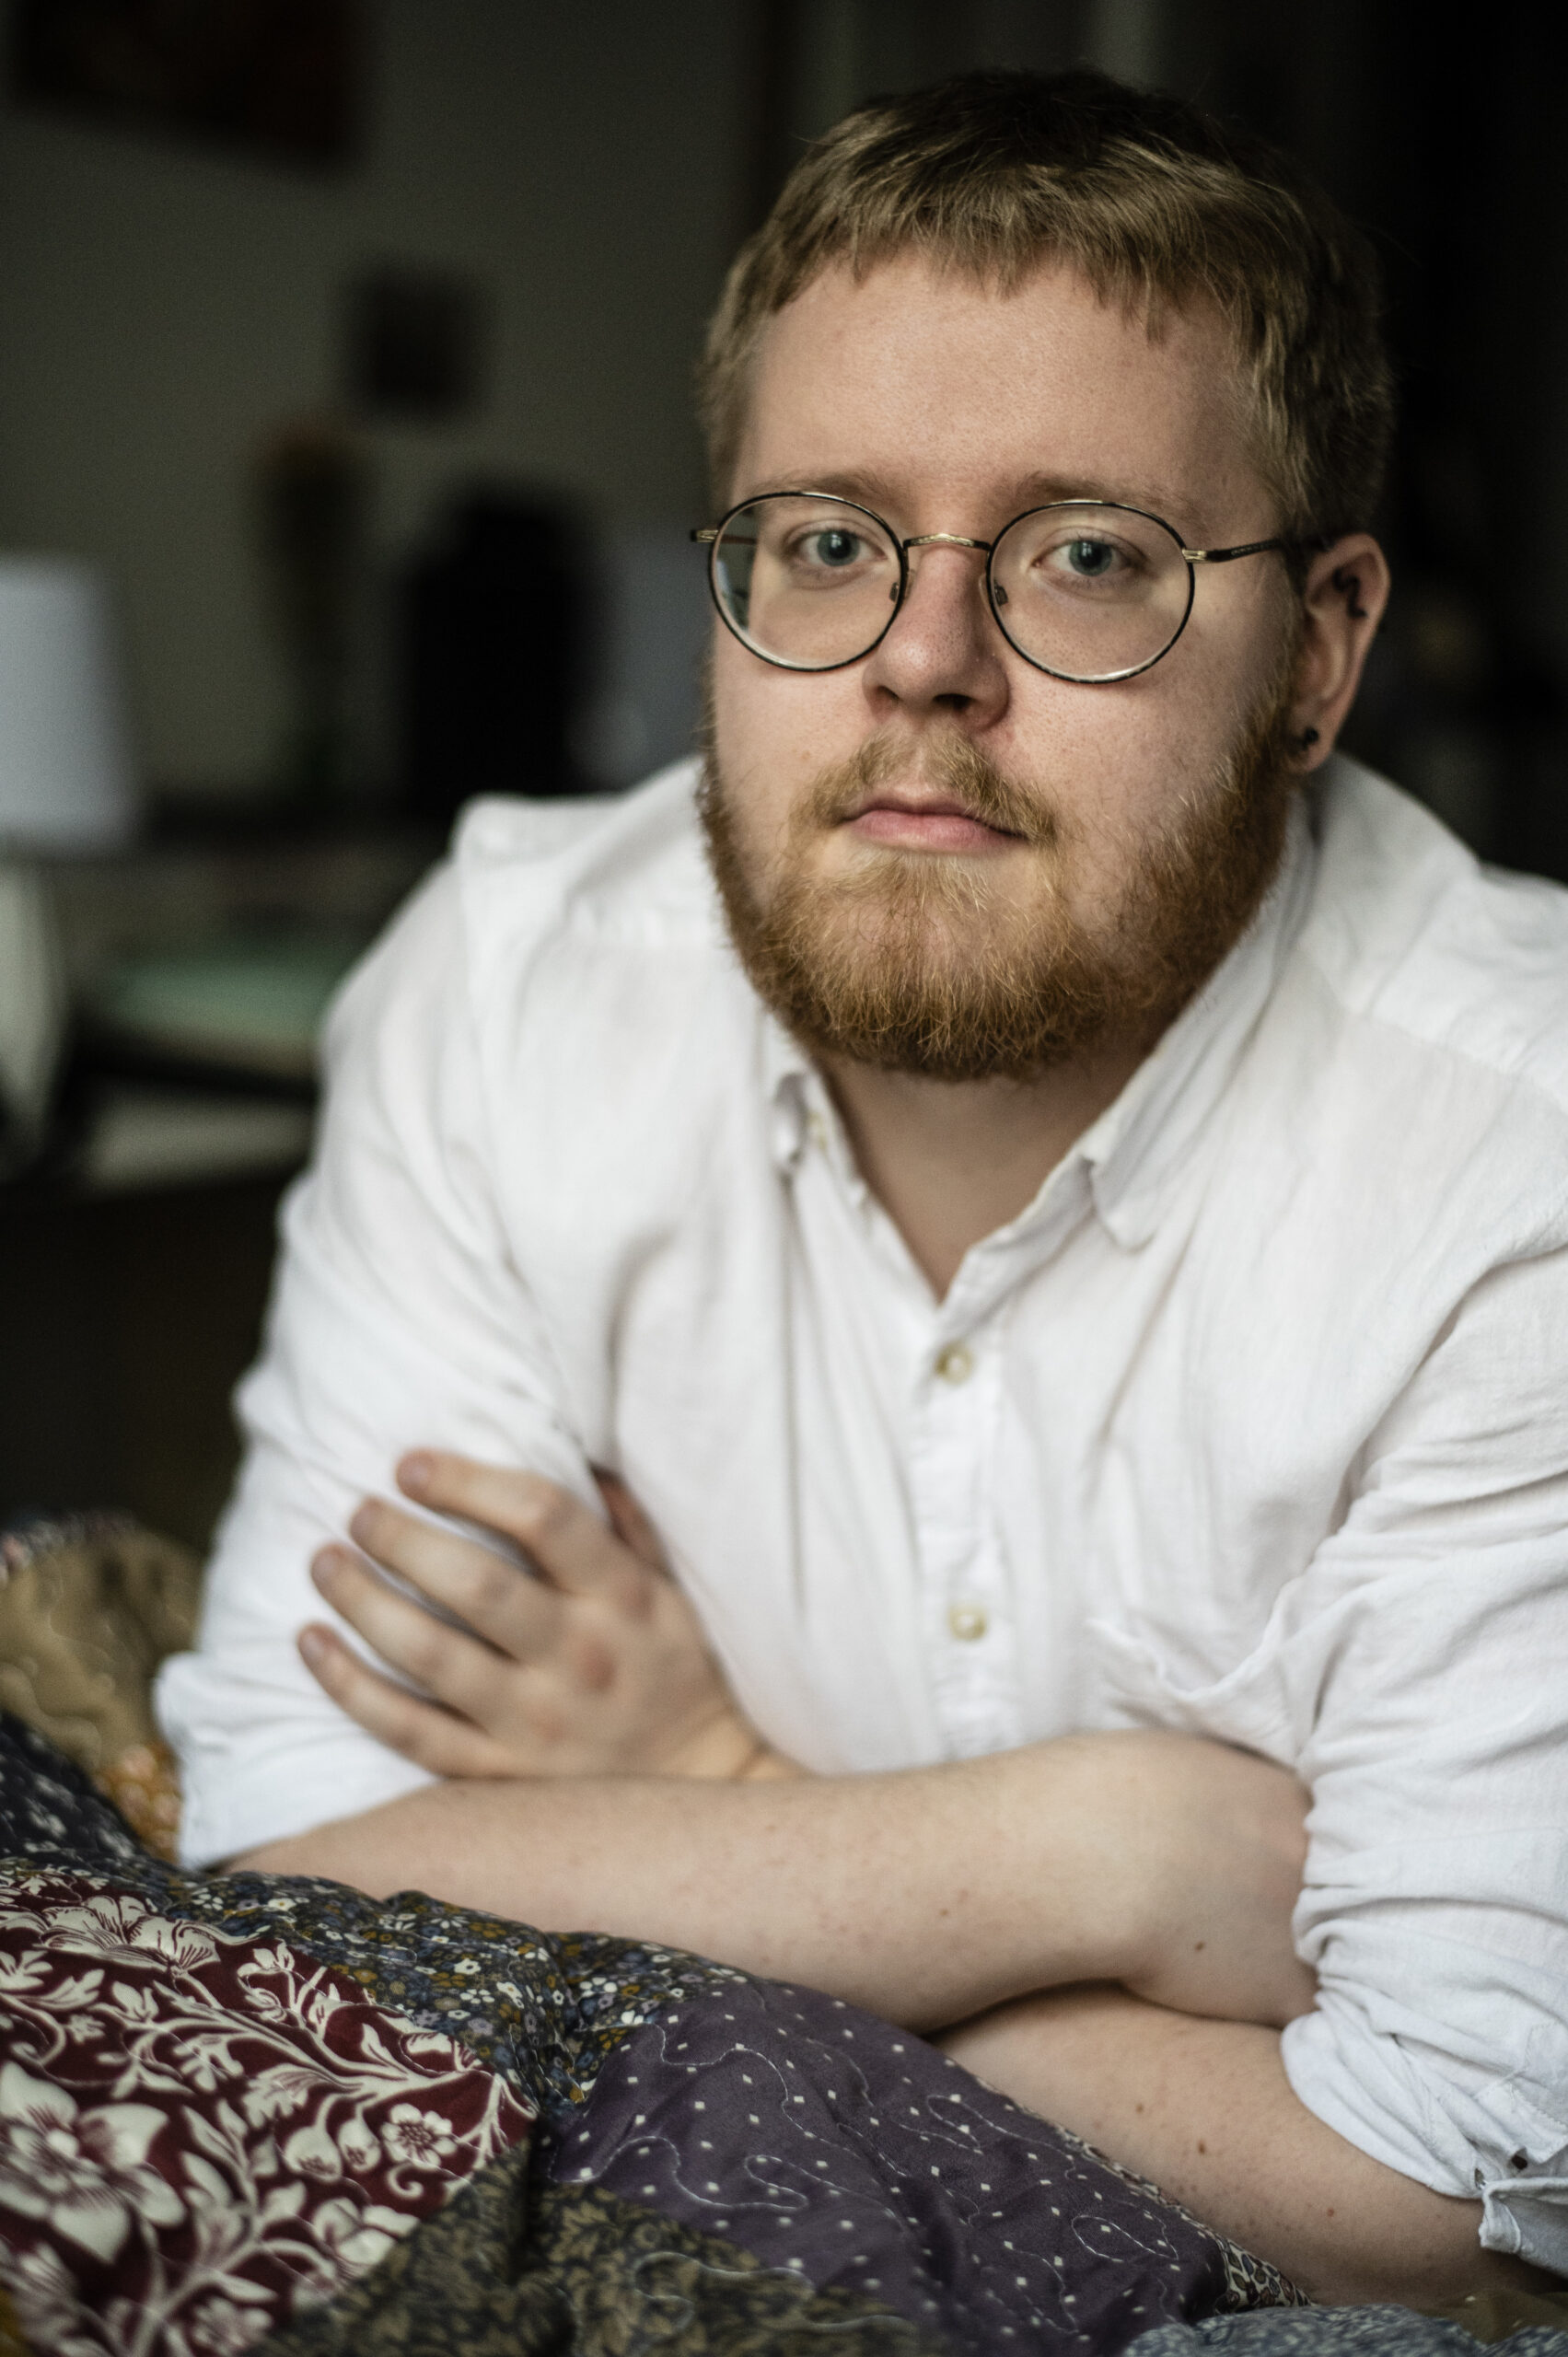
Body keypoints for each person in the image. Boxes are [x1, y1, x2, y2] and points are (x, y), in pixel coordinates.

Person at [156, 70, 1568, 2312]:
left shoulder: (1519, 1141)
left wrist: (710, 1797)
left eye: (1087, 552)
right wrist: (1107, 1855)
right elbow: (291, 1842)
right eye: (826, 539)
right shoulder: (512, 984)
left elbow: (1460, 2181)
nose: (922, 660)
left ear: (1318, 652)